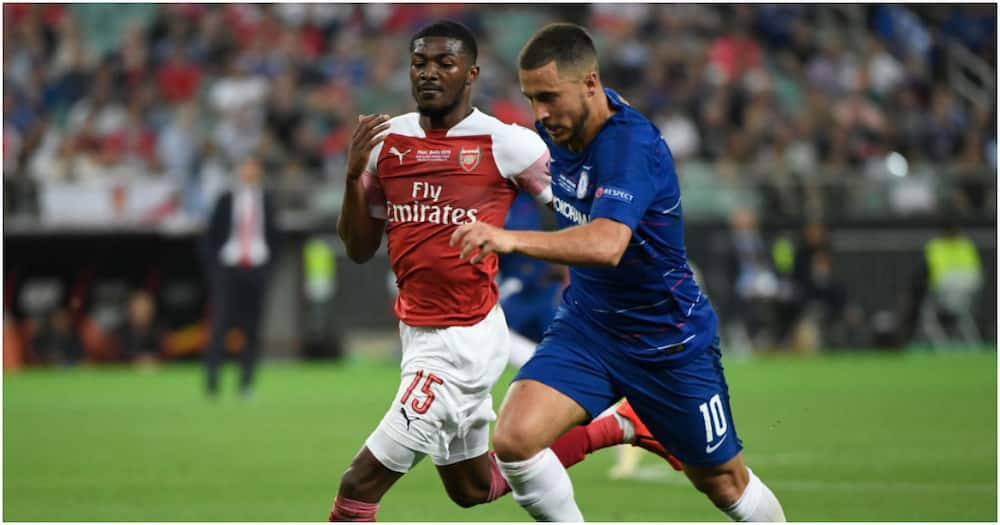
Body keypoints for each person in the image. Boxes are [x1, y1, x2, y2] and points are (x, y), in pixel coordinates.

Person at [330, 20, 677, 522]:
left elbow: (579, 207)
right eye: (420, 63)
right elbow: (359, 248)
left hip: (462, 342)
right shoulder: (388, 143)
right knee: (473, 488)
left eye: (444, 64)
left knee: (358, 485)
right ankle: (617, 426)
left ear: (469, 74)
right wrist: (352, 174)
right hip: (417, 334)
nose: (429, 73)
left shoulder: (506, 143)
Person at [452, 23, 786, 521]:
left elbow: (608, 245)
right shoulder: (559, 129)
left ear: (589, 83)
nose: (539, 114)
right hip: (589, 328)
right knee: (515, 439)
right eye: (530, 99)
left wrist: (508, 239)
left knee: (723, 482)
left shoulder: (630, 146)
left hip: (666, 340)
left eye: (548, 97)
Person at [201, 154, 279, 399]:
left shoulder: (267, 199)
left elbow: (276, 235)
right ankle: (212, 383)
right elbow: (210, 236)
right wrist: (216, 269)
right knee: (220, 325)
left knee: (252, 328)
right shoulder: (225, 199)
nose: (249, 171)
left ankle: (245, 384)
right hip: (229, 268)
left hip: (256, 268)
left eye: (253, 166)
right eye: (245, 166)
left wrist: (268, 266)